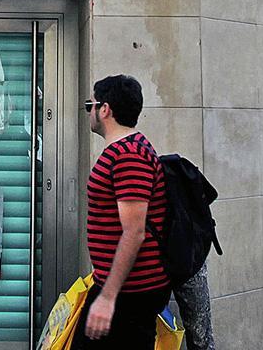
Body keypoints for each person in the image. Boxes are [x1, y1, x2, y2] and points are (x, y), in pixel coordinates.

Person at [79, 75, 170, 350]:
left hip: (130, 293)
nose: (90, 113)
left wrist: (107, 298)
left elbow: (134, 232)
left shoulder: (129, 155)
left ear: (105, 109)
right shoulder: (126, 150)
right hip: (122, 289)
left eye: (90, 105)